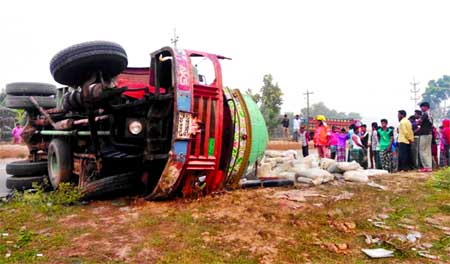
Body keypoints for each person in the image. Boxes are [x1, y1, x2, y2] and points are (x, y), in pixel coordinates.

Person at [416, 102, 433, 172]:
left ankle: (426, 167)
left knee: (422, 150)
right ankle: (429, 167)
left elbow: (418, 122)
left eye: (422, 107)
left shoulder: (425, 114)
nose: (421, 109)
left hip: (425, 134)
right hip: (429, 133)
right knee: (428, 151)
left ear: (426, 107)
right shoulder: (430, 114)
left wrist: (417, 121)